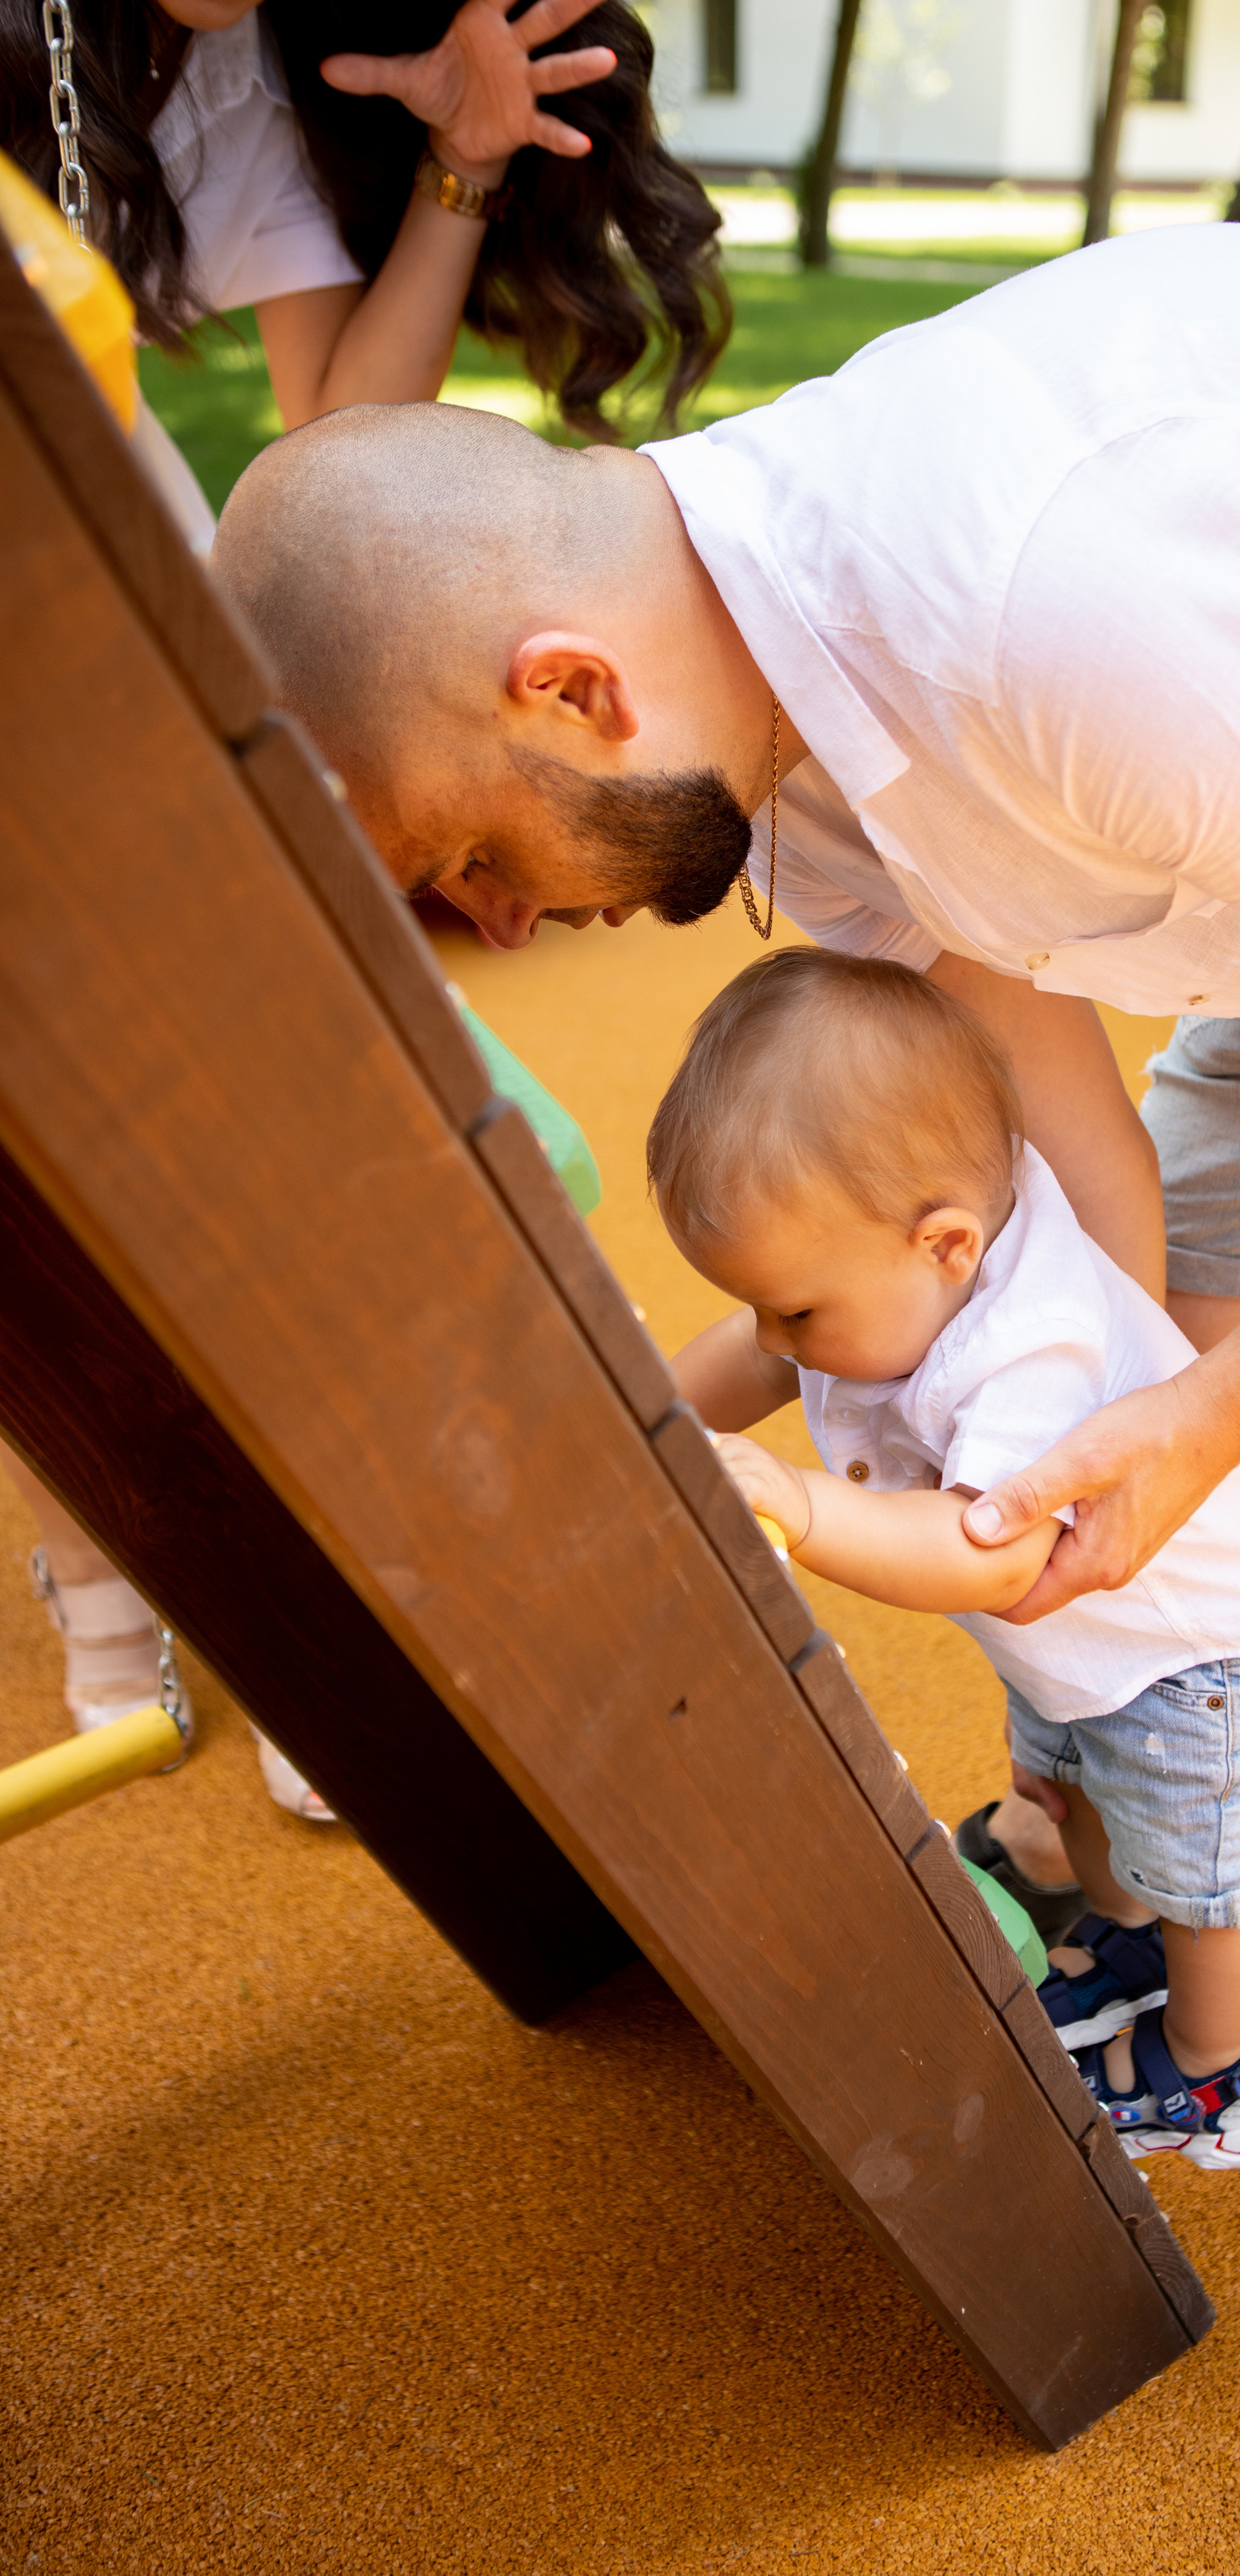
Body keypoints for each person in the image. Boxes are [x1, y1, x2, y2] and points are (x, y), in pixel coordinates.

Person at [211, 223, 1240, 2565]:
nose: (502, 923)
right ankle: (1134, 1804)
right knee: (1089, 1352)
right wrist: (671, 1406)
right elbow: (1057, 1201)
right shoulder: (789, 751)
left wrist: (1207, 1425)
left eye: (470, 859)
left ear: (572, 691)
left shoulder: (1045, 597)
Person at [0, 0, 724, 1815]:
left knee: (253, 1102)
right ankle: (110, 1589)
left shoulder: (215, 58)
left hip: (104, 580)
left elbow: (338, 430)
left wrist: (465, 159)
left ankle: (334, 1593)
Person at [654, 947, 1240, 2171]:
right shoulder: (888, 1258)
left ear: (948, 1246)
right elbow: (752, 1364)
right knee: (1080, 1803)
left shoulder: (1030, 1351)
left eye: (794, 1309)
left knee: (1209, 1884)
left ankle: (1214, 2076)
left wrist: (798, 1503)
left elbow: (986, 1557)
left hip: (1192, 1653)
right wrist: (648, 1417)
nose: (772, 1338)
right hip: (1086, 1651)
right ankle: (1123, 1947)